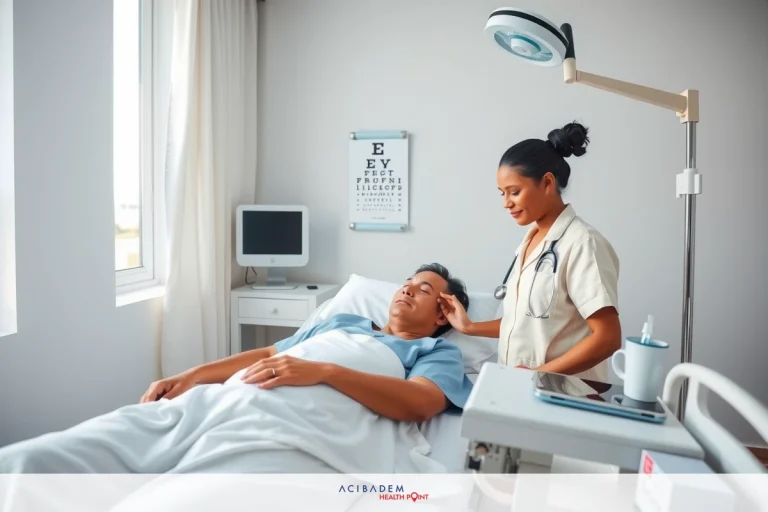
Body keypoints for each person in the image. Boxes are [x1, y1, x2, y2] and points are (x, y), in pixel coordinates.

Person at [0, 263, 473, 474]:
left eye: (424, 289)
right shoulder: (343, 318)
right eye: (406, 282)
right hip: (216, 406)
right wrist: (192, 376)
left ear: (440, 314)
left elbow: (419, 405)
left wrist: (326, 372)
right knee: (32, 462)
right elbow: (269, 354)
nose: (406, 290)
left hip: (291, 431)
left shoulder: (436, 353)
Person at [439, 122, 621, 382]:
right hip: (522, 390)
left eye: (514, 192)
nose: (506, 203)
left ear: (547, 182)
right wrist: (469, 328)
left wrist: (538, 375)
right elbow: (525, 326)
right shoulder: (531, 242)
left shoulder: (583, 243)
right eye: (502, 194)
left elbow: (607, 338)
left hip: (566, 396)